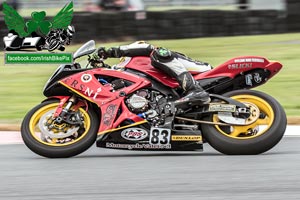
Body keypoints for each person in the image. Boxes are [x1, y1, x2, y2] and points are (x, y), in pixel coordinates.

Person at [98, 41, 211, 105]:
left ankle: (195, 90)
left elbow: (147, 47)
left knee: (159, 53)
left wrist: (111, 52)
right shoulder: (127, 69)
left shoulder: (145, 54)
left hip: (203, 72)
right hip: (178, 83)